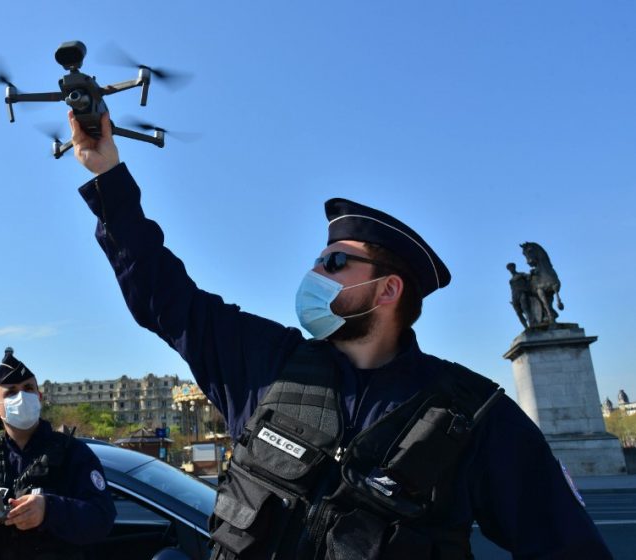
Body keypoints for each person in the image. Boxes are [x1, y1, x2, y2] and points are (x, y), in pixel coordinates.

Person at [67, 113, 612, 559]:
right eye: (317, 260)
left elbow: (567, 545)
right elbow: (164, 296)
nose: (314, 275)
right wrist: (107, 175)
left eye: (334, 262)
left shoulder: (473, 415)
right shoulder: (265, 363)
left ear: (387, 290)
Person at [0, 347, 116, 560]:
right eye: (11, 392)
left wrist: (49, 510)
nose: (22, 397)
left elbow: (102, 519)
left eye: (28, 389)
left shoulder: (73, 454)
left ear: (40, 397)